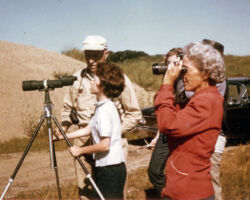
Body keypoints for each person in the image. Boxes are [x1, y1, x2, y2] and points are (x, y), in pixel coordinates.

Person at [58, 35, 142, 199]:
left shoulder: (118, 79)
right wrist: (62, 130)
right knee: (86, 194)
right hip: (84, 142)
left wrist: (114, 132)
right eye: (87, 55)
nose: (91, 60)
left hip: (111, 151)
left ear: (106, 54)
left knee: (113, 194)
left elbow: (134, 113)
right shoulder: (78, 79)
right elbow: (67, 109)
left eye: (95, 55)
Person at [148, 41, 226, 200]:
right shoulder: (203, 98)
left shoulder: (206, 101)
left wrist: (167, 84)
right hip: (182, 189)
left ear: (205, 73)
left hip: (190, 192)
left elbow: (168, 124)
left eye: (186, 70)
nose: (183, 76)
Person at [55, 62, 127, 199]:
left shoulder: (105, 110)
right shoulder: (103, 106)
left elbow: (105, 145)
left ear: (102, 85)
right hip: (107, 167)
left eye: (96, 79)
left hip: (110, 169)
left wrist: (80, 150)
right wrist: (64, 136)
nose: (92, 81)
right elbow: (88, 129)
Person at [148, 48, 183, 197]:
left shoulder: (186, 85)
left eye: (175, 63)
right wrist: (157, 136)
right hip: (165, 134)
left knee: (178, 172)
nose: (170, 67)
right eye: (168, 64)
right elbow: (163, 114)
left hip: (180, 133)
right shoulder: (167, 84)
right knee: (154, 171)